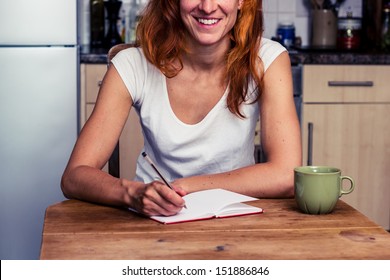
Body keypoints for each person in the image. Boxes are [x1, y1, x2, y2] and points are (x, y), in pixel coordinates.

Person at [61, 0, 302, 217]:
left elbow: (286, 176)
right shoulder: (132, 64)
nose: (207, 7)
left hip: (234, 218)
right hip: (152, 221)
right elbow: (74, 176)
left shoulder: (267, 59)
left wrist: (184, 186)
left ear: (241, 2)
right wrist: (134, 194)